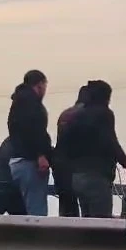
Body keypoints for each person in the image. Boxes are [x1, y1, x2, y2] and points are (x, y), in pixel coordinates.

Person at [57, 79, 126, 218]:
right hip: (97, 177)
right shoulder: (104, 114)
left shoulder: (76, 116)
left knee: (87, 222)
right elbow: (110, 141)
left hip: (77, 177)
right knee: (101, 223)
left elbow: (66, 145)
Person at [7, 70, 52, 217]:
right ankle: (39, 239)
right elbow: (35, 130)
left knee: (25, 210)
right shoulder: (32, 103)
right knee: (37, 211)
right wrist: (41, 155)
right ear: (40, 85)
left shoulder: (17, 102)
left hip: (16, 160)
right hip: (30, 162)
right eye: (45, 86)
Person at [53, 86, 89, 217]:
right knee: (88, 212)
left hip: (60, 167)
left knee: (67, 212)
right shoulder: (85, 114)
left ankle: (66, 236)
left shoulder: (65, 113)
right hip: (77, 168)